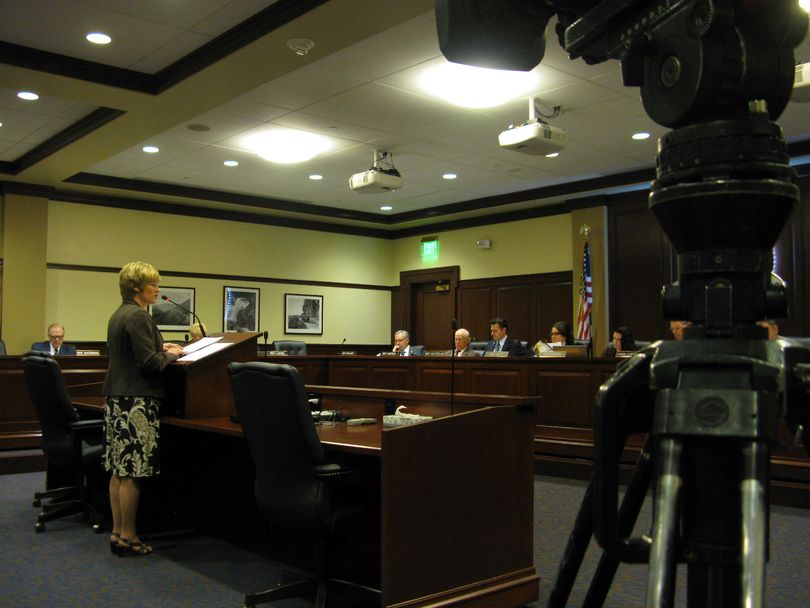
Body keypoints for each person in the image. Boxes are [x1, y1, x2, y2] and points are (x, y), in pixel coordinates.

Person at [102, 262, 184, 557]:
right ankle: (130, 536)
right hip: (136, 400)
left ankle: (116, 532)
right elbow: (149, 363)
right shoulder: (138, 316)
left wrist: (162, 348)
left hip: (117, 397)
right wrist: (173, 355)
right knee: (133, 473)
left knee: (118, 471)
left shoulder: (119, 314)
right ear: (137, 287)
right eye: (153, 284)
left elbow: (137, 352)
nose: (157, 289)